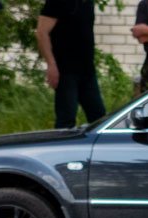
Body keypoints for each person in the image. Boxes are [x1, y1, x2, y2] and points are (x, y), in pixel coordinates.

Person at [37, 0, 106, 128]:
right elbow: (41, 33)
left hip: (87, 70)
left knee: (100, 118)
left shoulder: (88, 3)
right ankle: (62, 146)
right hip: (65, 70)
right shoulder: (58, 2)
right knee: (66, 120)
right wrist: (51, 64)